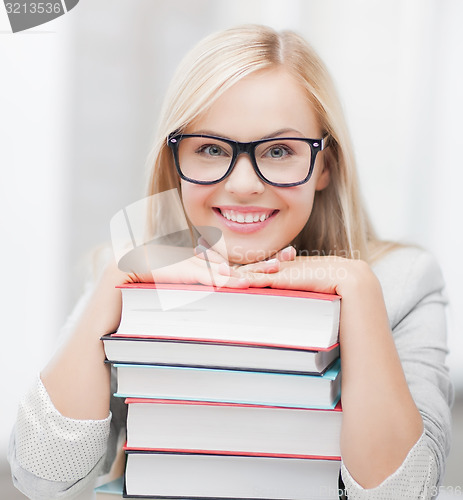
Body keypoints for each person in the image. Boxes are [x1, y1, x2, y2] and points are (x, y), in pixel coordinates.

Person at [9, 24, 452, 500]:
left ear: (325, 166)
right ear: (174, 160)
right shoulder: (130, 271)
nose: (242, 185)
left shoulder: (403, 282)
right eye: (212, 149)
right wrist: (117, 279)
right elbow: (40, 477)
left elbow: (404, 494)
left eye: (280, 150)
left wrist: (358, 291)